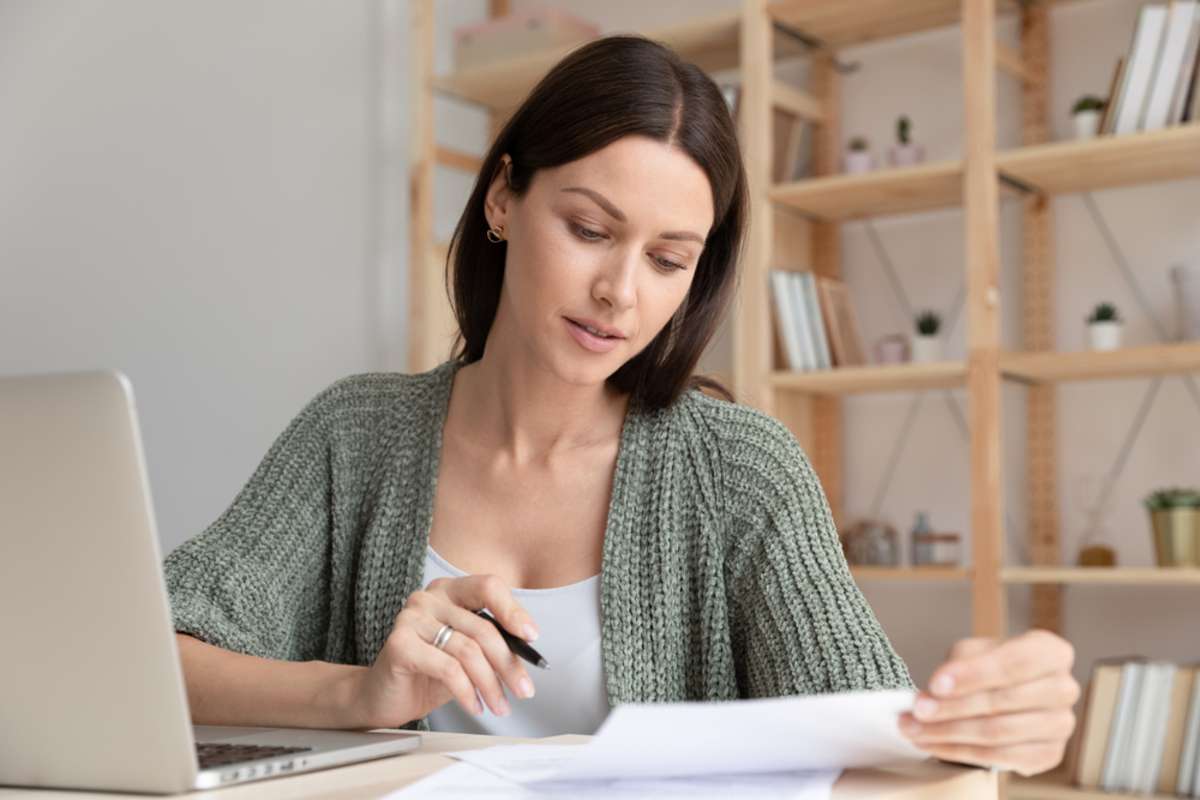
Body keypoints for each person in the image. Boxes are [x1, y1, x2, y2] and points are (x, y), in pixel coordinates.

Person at [165, 34, 1079, 778]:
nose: (619, 293)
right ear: (501, 199)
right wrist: (360, 695)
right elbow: (151, 653)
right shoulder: (355, 435)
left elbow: (880, 741)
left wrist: (989, 725)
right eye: (590, 230)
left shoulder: (741, 471)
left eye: (667, 259)